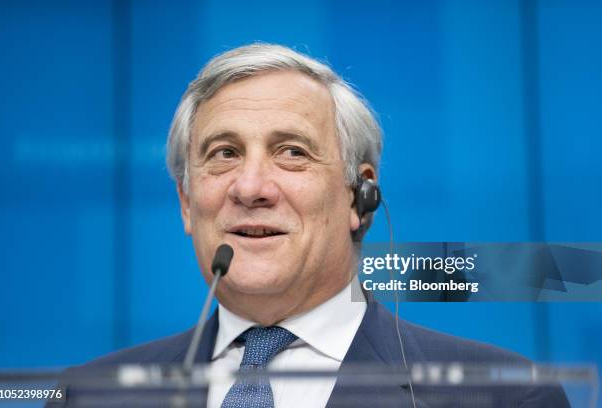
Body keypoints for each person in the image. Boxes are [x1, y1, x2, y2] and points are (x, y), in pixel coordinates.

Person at [50, 43, 569, 407]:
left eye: (291, 153)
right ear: (187, 202)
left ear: (358, 196)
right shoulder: (88, 396)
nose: (250, 187)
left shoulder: (504, 395)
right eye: (224, 153)